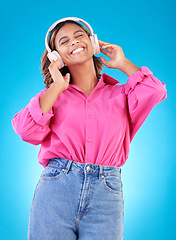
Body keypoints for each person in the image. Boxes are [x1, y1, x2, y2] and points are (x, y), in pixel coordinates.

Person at [11, 17, 167, 240]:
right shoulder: (53, 97)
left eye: (78, 35)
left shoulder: (122, 95)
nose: (73, 42)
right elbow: (25, 129)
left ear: (92, 42)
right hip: (56, 188)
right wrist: (56, 87)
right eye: (64, 41)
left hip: (107, 193)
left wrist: (123, 63)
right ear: (56, 56)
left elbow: (155, 91)